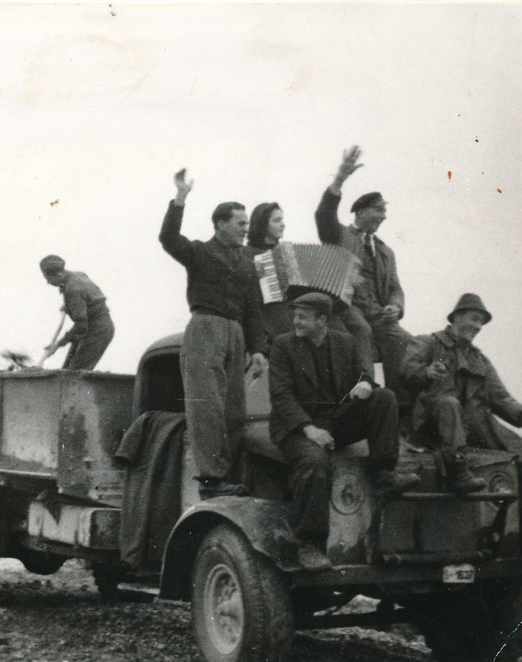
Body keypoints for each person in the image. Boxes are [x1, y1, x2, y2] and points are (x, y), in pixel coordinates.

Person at [269, 293, 420, 571]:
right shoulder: (283, 346)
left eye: (302, 316)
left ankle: (384, 475)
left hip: (335, 420)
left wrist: (364, 384)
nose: (296, 321)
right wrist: (309, 429)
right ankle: (310, 544)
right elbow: (281, 396)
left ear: (322, 320)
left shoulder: (344, 342)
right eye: (295, 315)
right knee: (315, 462)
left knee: (384, 397)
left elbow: (362, 373)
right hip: (296, 427)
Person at [159, 168, 268, 499]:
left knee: (234, 409)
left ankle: (229, 474)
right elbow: (168, 239)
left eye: (247, 224)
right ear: (220, 224)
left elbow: (253, 306)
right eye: (240, 224)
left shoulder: (248, 261)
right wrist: (179, 200)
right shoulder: (199, 252)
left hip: (236, 332)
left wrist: (258, 348)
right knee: (207, 405)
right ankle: (210, 479)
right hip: (206, 326)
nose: (245, 229)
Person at [401, 294, 522, 537]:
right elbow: (406, 371)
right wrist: (426, 372)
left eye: (481, 323)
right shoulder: (427, 343)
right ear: (457, 316)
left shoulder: (480, 360)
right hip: (431, 428)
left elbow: (501, 398)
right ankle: (459, 470)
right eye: (474, 319)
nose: (477, 327)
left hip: (476, 429)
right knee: (449, 402)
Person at [314, 145, 413, 415]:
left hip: (379, 315)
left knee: (407, 344)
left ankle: (400, 412)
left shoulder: (386, 251)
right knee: (359, 335)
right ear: (360, 212)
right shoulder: (339, 235)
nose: (384, 216)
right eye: (379, 210)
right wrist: (339, 180)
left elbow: (395, 288)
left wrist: (396, 306)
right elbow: (323, 215)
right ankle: (357, 403)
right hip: (345, 310)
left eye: (384, 211)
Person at [38, 255, 115, 370]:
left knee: (74, 373)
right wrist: (68, 305)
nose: (48, 283)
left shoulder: (73, 289)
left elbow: (81, 325)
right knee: (66, 369)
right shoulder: (78, 275)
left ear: (59, 275)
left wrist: (58, 344)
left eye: (48, 279)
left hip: (98, 330)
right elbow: (88, 296)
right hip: (90, 327)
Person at [246, 201, 293, 341]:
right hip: (267, 315)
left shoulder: (287, 252)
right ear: (262, 225)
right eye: (277, 220)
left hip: (292, 311)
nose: (282, 224)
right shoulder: (248, 253)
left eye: (282, 219)